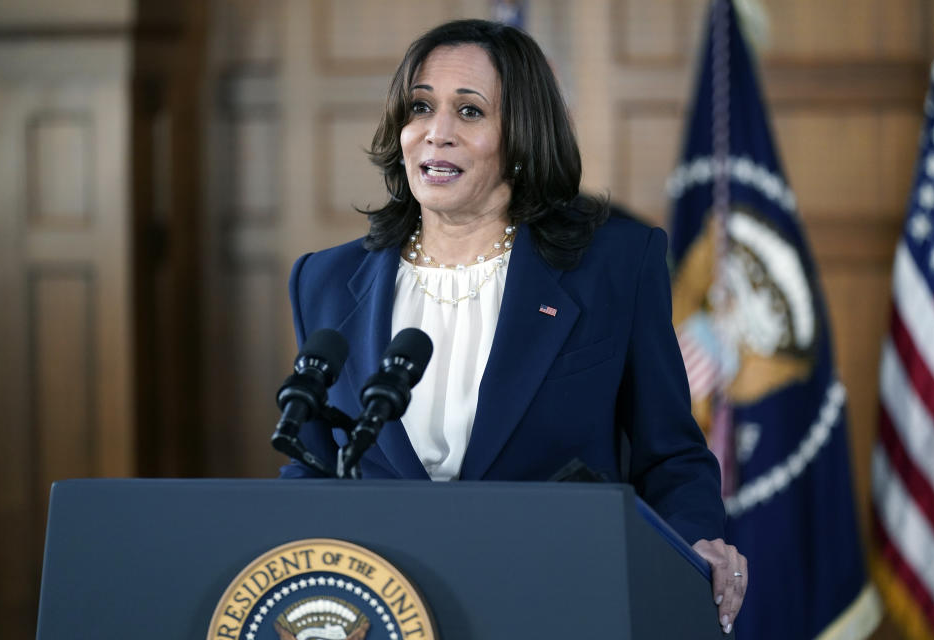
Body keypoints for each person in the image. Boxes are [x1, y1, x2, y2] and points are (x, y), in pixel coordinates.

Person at [280, 19, 746, 633]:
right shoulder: (325, 279)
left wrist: (697, 544)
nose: (436, 133)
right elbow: (308, 467)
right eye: (420, 107)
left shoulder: (612, 267)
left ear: (521, 138)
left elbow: (670, 455)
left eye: (469, 112)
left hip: (556, 598)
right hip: (383, 607)